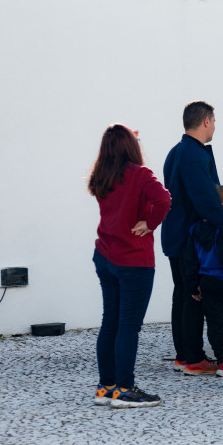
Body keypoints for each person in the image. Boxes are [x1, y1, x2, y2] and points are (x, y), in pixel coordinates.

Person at [89, 124, 171, 408]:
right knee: (128, 326)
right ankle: (125, 389)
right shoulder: (139, 174)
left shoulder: (101, 176)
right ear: (131, 147)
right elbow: (164, 198)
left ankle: (106, 387)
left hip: (105, 255)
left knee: (110, 320)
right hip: (134, 260)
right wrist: (149, 224)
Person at [161, 101, 223, 375]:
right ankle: (193, 358)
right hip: (190, 239)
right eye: (214, 121)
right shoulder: (194, 155)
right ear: (206, 121)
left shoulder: (176, 152)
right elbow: (206, 200)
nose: (215, 126)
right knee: (193, 296)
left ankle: (183, 356)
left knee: (181, 294)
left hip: (175, 235)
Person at [184, 185, 223, 377]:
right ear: (220, 206)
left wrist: (193, 285)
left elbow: (191, 260)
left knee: (214, 323)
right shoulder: (222, 229)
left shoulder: (193, 229)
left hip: (206, 282)